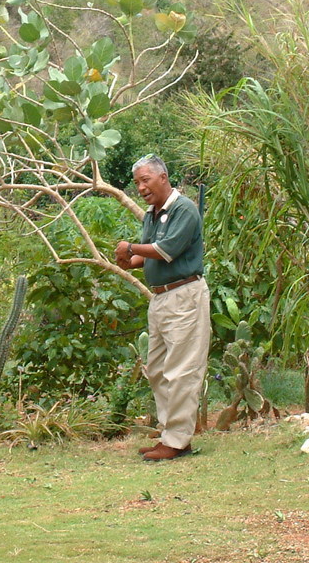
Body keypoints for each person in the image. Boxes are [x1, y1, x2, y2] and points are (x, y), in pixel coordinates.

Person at [114, 155, 210, 461]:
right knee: (156, 369)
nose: (141, 188)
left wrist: (129, 248)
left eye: (146, 180)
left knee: (181, 370)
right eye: (137, 183)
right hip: (161, 298)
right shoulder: (151, 215)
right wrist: (129, 259)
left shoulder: (184, 209)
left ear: (163, 177)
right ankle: (171, 435)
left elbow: (166, 250)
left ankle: (177, 441)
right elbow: (149, 255)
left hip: (185, 296)